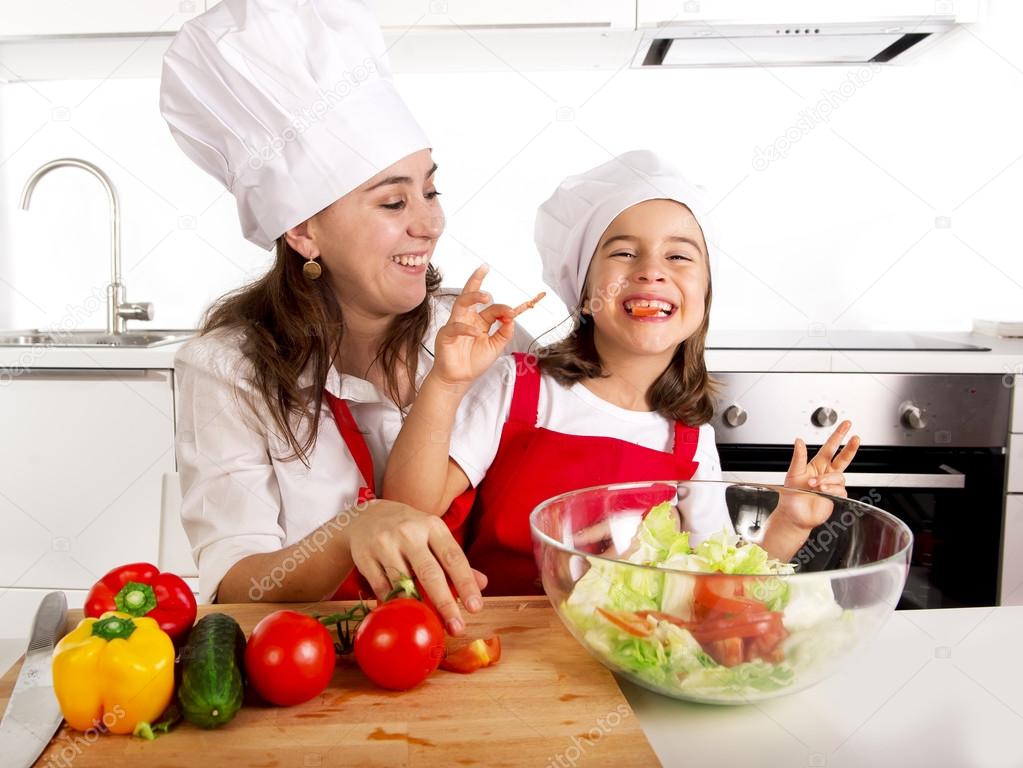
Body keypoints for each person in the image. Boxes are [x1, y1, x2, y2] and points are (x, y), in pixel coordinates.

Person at [160, 0, 529, 634]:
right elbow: (236, 583)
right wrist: (350, 528)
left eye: (430, 189)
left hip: (468, 665)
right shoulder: (226, 370)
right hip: (311, 674)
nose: (430, 222)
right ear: (303, 229)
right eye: (393, 201)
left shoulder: (479, 341)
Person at [383, 150, 861, 595]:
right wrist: (446, 383)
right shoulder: (520, 387)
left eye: (679, 255)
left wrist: (789, 526)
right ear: (582, 286)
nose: (652, 271)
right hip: (509, 648)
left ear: (705, 292)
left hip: (625, 659)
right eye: (624, 253)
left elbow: (720, 592)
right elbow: (407, 508)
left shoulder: (690, 438)